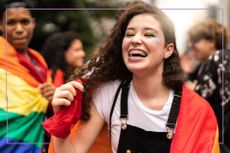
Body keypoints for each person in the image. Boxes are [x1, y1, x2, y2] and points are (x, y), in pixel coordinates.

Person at [47, 2, 219, 153]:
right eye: (129, 34)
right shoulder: (108, 93)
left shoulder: (196, 111)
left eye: (149, 34)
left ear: (168, 50)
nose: (136, 39)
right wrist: (61, 121)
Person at [42, 31, 111, 153]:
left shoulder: (77, 75)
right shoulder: (56, 76)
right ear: (63, 53)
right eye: (77, 50)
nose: (83, 54)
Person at [0, 0, 55, 152]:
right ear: (1, 25)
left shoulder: (38, 59)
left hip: (33, 143)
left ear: (33, 23)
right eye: (11, 23)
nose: (19, 29)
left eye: (24, 22)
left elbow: (46, 108)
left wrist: (52, 97)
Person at [187, 19, 230, 152]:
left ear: (211, 41)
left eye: (195, 41)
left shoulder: (220, 57)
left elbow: (199, 98)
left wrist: (192, 88)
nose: (190, 45)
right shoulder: (205, 64)